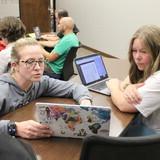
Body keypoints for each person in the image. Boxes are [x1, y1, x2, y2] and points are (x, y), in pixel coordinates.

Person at [0, 37, 92, 139]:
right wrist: (14, 128)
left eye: (41, 61)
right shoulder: (3, 90)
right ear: (15, 65)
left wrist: (85, 103)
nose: (38, 68)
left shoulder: (41, 82)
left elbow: (75, 87)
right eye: (30, 62)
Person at [107, 25, 160, 133]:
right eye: (134, 51)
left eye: (143, 52)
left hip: (153, 137)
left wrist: (113, 86)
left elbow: (123, 105)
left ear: (157, 52)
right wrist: (128, 87)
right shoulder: (147, 66)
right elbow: (126, 83)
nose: (137, 57)